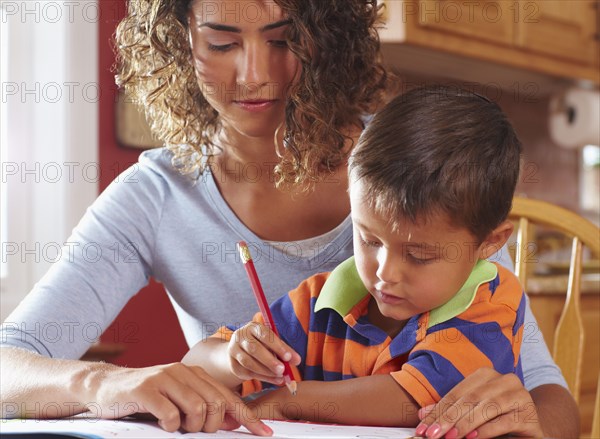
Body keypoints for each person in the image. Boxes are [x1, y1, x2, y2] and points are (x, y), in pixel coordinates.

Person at [0, 0, 579, 437]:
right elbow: (9, 365)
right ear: (181, 45)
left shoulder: (412, 170)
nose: (254, 74)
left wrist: (526, 419)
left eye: (285, 41)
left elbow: (550, 398)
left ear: (327, 40)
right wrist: (105, 384)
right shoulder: (154, 197)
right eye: (222, 43)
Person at [183, 85, 528, 436]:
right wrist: (232, 358)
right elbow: (193, 369)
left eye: (419, 256)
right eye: (369, 239)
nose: (385, 273)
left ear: (490, 243)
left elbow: (415, 399)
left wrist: (292, 400)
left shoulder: (491, 301)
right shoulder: (320, 300)